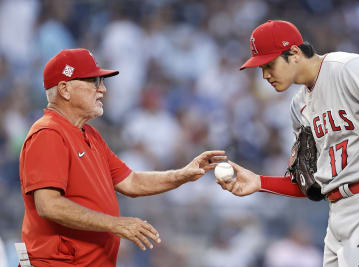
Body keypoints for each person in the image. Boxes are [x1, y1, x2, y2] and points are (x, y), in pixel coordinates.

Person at [19, 48, 226, 267]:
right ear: (65, 89)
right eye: (94, 81)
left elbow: (131, 182)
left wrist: (182, 175)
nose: (103, 89)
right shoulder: (48, 133)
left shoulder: (90, 134)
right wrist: (115, 224)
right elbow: (48, 205)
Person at [218, 20, 359, 266]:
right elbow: (310, 184)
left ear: (293, 53)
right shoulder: (298, 106)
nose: (265, 75)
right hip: (336, 217)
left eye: (269, 64)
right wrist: (259, 182)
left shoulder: (346, 67)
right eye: (260, 68)